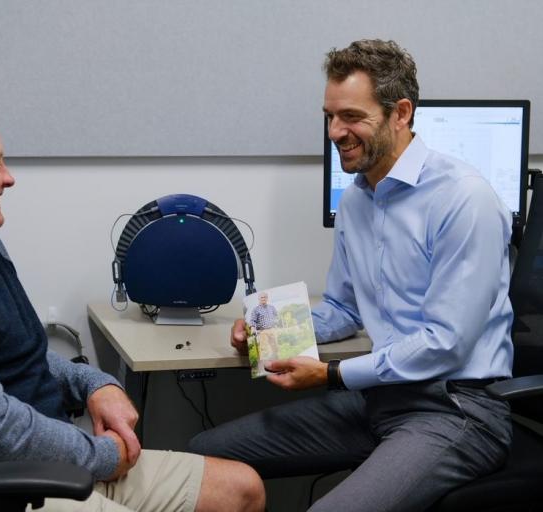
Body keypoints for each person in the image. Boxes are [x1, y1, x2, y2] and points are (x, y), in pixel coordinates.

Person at [189, 39, 514, 512]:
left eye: (352, 117)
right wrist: (266, 331)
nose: (335, 131)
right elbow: (343, 309)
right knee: (201, 458)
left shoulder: (465, 199)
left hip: (455, 411)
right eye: (329, 116)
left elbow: (446, 342)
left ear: (400, 113)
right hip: (379, 400)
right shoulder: (359, 198)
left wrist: (333, 374)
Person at [0, 110, 265, 512]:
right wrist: (102, 457)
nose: (8, 177)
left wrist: (95, 384)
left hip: (50, 469)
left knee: (242, 489)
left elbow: (22, 357)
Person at [248, 292, 279, 360]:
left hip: (272, 330)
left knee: (275, 347)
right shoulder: (256, 309)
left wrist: (276, 324)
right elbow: (253, 320)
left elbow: (276, 316)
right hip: (262, 331)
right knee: (265, 349)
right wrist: (252, 328)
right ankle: (265, 366)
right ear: (259, 299)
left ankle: (276, 361)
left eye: (265, 297)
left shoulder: (272, 307)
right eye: (262, 297)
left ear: (267, 298)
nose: (263, 299)